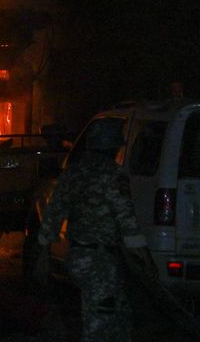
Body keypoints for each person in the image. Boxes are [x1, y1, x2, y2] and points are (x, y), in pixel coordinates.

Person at [34, 118, 156, 342]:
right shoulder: (112, 174)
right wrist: (144, 258)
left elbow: (53, 213)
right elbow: (126, 219)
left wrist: (43, 254)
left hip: (80, 256)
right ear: (113, 146)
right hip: (99, 261)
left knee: (115, 313)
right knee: (100, 321)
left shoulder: (74, 173)